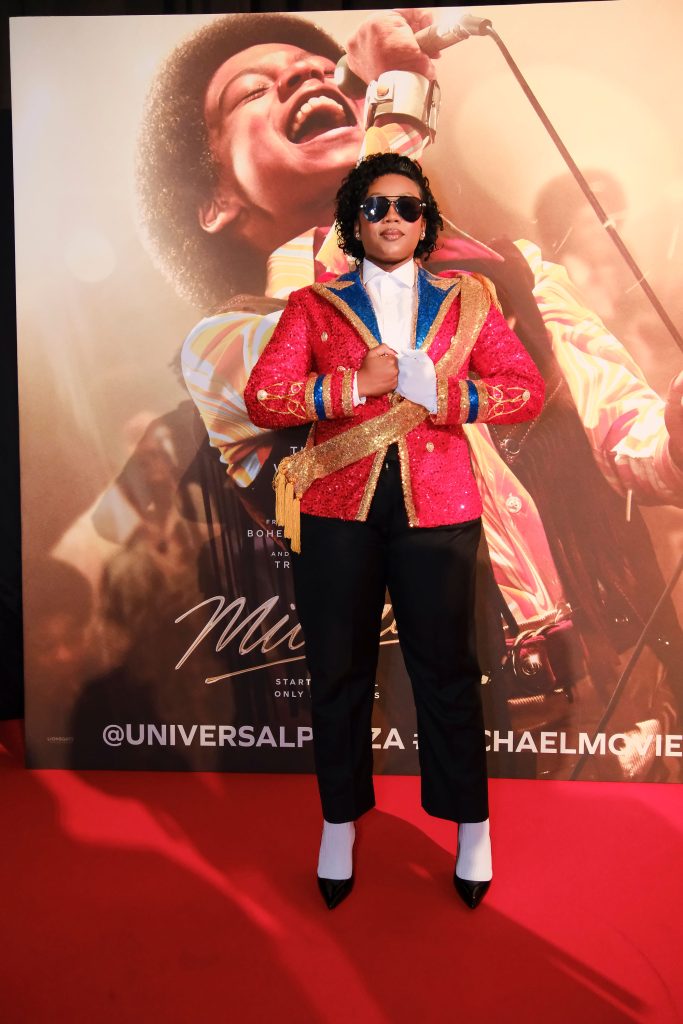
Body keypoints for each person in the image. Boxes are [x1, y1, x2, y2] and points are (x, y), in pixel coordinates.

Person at [244, 152, 546, 909]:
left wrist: (444, 394)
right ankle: (338, 823)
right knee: (337, 673)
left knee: (448, 673)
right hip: (334, 512)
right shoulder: (313, 305)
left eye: (407, 206)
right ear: (355, 218)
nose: (392, 218)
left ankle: (471, 825)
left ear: (425, 221)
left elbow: (524, 391)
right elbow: (264, 398)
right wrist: (354, 386)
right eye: (376, 205)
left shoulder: (467, 298)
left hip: (438, 509)